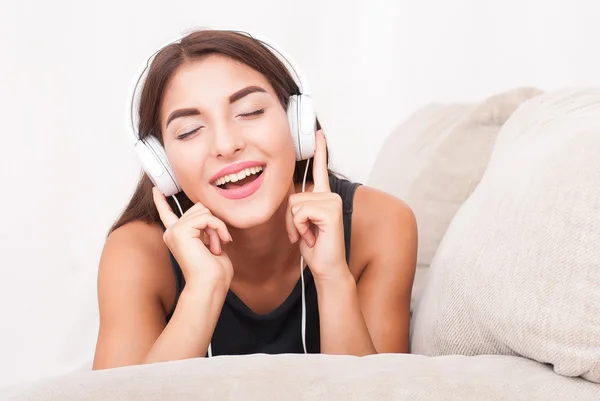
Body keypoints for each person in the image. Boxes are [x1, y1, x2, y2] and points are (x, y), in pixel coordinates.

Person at [92, 29, 417, 370]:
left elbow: (377, 392)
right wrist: (202, 291)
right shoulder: (136, 253)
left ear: (296, 124)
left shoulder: (382, 224)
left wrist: (333, 277)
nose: (226, 144)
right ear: (162, 164)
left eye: (249, 112)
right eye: (188, 131)